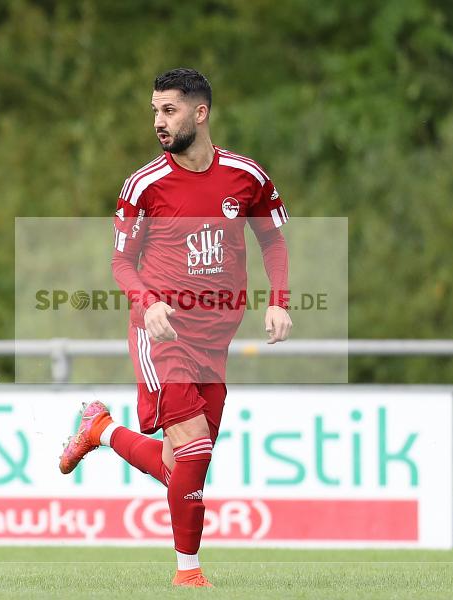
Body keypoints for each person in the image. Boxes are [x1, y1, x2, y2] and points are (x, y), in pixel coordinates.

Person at [58, 68, 291, 588]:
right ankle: (189, 575)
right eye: (155, 111)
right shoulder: (144, 185)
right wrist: (149, 303)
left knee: (179, 464)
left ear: (200, 112)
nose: (159, 122)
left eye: (169, 110)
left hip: (216, 338)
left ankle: (101, 429)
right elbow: (121, 263)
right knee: (195, 450)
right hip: (160, 332)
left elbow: (273, 242)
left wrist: (278, 302)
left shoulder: (246, 177)